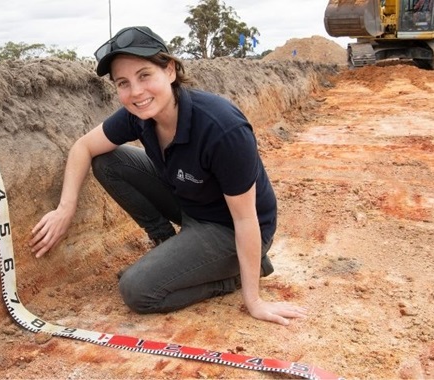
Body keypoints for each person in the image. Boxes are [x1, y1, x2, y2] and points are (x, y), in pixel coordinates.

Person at [29, 26, 308, 326]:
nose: (136, 92)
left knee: (137, 291)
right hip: (191, 202)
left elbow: (245, 219)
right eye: (123, 83)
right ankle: (165, 242)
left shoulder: (222, 128)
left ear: (170, 70)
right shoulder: (139, 116)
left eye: (144, 75)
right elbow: (83, 147)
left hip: (229, 226)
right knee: (108, 161)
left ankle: (237, 275)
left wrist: (254, 302)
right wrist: (65, 208)